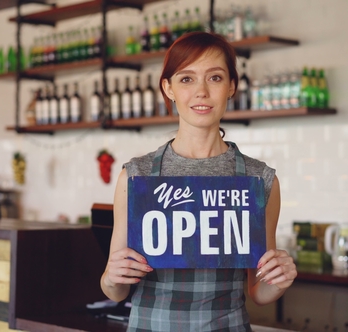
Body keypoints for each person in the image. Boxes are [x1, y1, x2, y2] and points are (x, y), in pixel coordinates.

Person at [100, 31, 297, 331]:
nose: (201, 92)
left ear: (231, 86)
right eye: (187, 79)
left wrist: (280, 279)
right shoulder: (136, 176)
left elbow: (258, 291)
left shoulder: (259, 180)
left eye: (215, 78)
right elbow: (115, 289)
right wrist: (112, 277)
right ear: (168, 88)